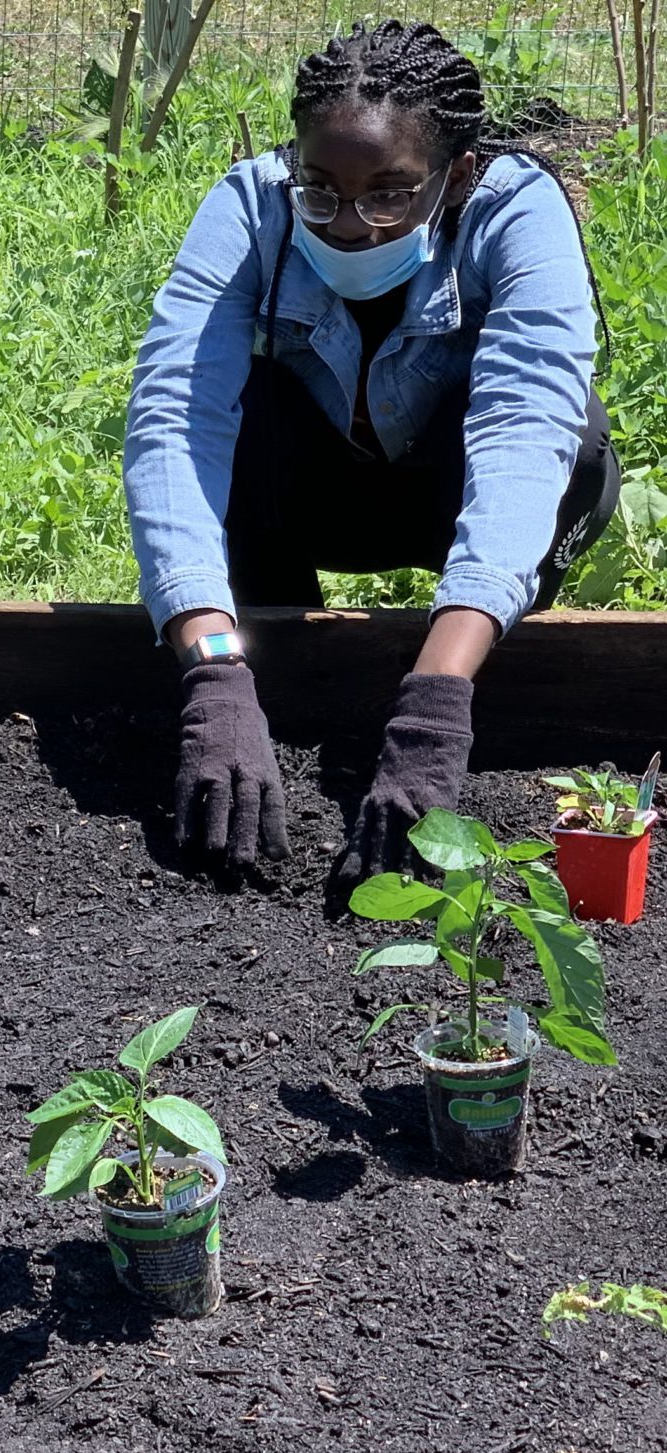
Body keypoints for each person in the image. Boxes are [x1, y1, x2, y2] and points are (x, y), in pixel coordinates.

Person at [122, 19, 619, 881]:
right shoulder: (252, 204)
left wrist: (432, 715)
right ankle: (273, 678)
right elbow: (175, 413)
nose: (350, 223)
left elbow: (520, 431)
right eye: (321, 188)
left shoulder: (514, 212)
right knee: (237, 418)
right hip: (314, 501)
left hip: (453, 495)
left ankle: (460, 653)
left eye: (390, 192)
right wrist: (212, 674)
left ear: (454, 174)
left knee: (573, 444)